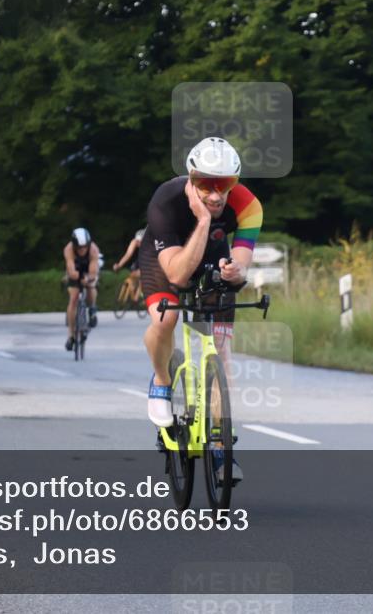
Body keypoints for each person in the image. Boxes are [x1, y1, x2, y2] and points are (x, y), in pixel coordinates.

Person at [139, 137, 262, 485]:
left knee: (220, 351)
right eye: (206, 184)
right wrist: (204, 221)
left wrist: (235, 272)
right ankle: (162, 380)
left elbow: (241, 266)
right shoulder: (166, 200)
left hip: (212, 256)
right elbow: (177, 275)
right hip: (165, 258)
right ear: (191, 178)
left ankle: (221, 447)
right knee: (166, 317)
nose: (216, 194)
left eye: (225, 184)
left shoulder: (249, 206)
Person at [63, 227, 100, 350]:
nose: (82, 250)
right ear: (74, 245)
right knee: (73, 299)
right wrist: (76, 277)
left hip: (89, 268)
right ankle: (71, 335)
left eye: (85, 247)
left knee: (91, 285)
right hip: (75, 269)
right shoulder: (68, 249)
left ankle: (92, 308)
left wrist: (88, 279)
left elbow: (93, 272)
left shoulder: (93, 249)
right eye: (79, 247)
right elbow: (71, 270)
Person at [112, 228, 146, 301]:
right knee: (133, 273)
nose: (138, 244)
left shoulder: (150, 244)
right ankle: (134, 290)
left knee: (142, 274)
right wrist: (119, 265)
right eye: (137, 241)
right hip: (141, 257)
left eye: (140, 242)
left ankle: (141, 293)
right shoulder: (134, 242)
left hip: (150, 258)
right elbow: (128, 254)